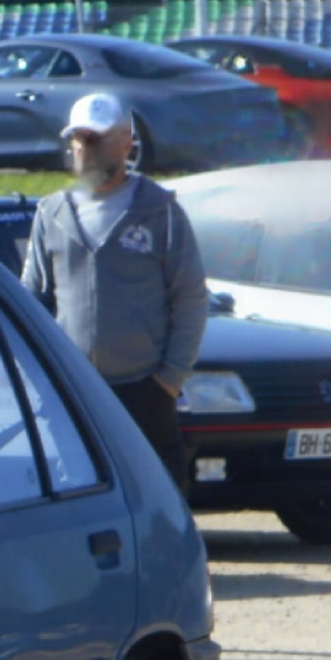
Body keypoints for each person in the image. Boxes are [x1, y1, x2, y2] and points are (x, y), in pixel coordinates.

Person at [21, 92, 207, 486]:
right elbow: (32, 301)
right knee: (79, 506)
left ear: (126, 143)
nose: (85, 149)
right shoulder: (51, 213)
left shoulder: (161, 211)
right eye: (78, 139)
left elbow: (190, 297)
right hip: (72, 393)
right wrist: (44, 380)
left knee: (156, 504)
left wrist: (168, 381)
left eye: (97, 139)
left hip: (143, 393)